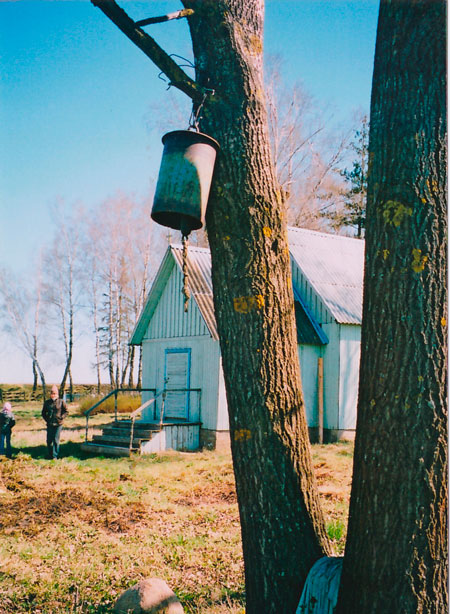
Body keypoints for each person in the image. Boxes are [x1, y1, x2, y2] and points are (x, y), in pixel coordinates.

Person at [42, 385, 68, 460]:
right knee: (49, 440)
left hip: (58, 424)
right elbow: (43, 413)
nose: (53, 395)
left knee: (56, 440)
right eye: (52, 393)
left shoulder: (61, 402)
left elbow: (66, 411)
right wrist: (47, 419)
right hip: (50, 424)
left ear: (57, 394)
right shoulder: (47, 403)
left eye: (54, 394)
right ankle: (49, 454)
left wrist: (61, 417)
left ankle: (54, 456)